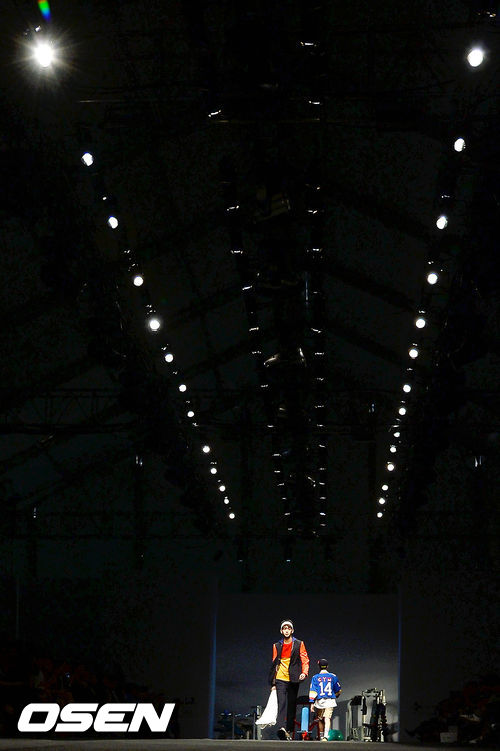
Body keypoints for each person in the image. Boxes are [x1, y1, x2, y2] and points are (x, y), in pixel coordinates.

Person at [269, 620, 309, 740]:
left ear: (292, 630)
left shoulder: (299, 643)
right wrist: (273, 682)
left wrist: (304, 672)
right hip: (280, 678)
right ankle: (281, 728)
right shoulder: (276, 645)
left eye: (288, 628)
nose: (286, 630)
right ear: (281, 631)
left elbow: (305, 659)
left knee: (291, 705)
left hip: (293, 678)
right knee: (281, 703)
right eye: (284, 628)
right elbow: (274, 664)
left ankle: (289, 730)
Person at [309, 659, 342, 741]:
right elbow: (338, 690)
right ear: (327, 666)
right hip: (330, 701)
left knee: (320, 719)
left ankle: (321, 736)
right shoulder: (333, 676)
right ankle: (326, 736)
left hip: (319, 701)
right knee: (327, 718)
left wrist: (312, 703)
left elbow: (313, 691)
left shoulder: (315, 677)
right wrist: (336, 695)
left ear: (319, 666)